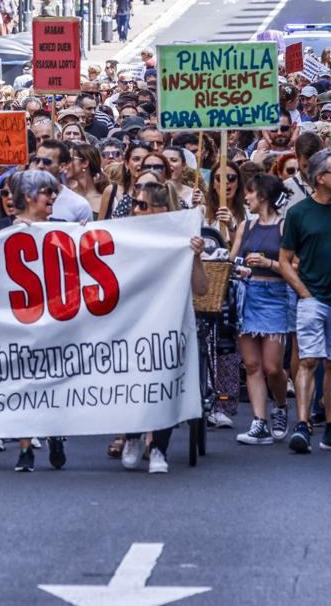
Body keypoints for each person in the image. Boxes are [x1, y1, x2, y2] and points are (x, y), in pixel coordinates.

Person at [119, 181, 209, 474]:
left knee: (163, 380)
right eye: (135, 204)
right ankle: (132, 437)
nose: (135, 210)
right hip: (132, 323)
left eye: (143, 205)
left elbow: (202, 288)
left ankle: (159, 446)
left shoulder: (182, 240)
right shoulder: (124, 237)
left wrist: (195, 256)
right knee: (130, 381)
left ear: (162, 210)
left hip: (169, 323)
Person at [278, 150, 331, 454]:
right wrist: (303, 292)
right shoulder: (299, 213)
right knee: (309, 359)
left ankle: (330, 427)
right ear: (318, 178)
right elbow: (284, 259)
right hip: (312, 298)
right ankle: (302, 424)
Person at [7, 169, 68, 472]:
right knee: (24, 384)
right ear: (30, 197)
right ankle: (25, 448)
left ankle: (55, 433)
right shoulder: (7, 233)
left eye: (54, 192)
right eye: (47, 192)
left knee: (53, 380)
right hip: (22, 319)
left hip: (56, 318)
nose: (53, 198)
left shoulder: (65, 230)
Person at [232, 174, 292, 445]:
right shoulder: (246, 225)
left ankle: (280, 406)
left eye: (250, 192)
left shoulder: (284, 227)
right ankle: (259, 421)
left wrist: (269, 264)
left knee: (272, 366)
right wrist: (239, 268)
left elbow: (295, 266)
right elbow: (231, 260)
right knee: (252, 364)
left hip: (275, 295)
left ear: (264, 195)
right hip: (247, 293)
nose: (246, 197)